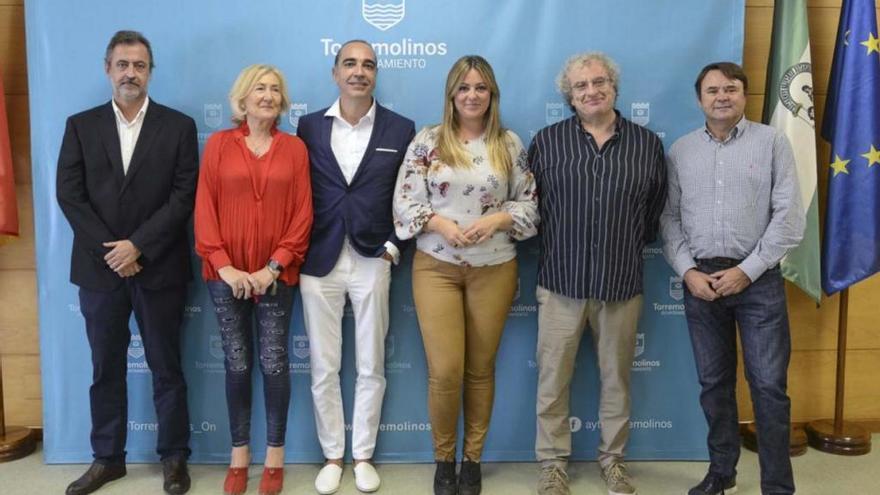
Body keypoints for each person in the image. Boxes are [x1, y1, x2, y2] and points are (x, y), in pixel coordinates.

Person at [56, 30, 197, 495]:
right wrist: (114, 253)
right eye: (122, 64)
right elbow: (70, 196)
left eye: (139, 65)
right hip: (100, 272)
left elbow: (182, 198)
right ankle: (107, 458)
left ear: (150, 71)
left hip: (159, 267)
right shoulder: (80, 125)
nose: (130, 73)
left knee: (166, 368)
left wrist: (138, 245)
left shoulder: (179, 126)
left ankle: (174, 459)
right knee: (105, 369)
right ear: (108, 69)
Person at [393, 55, 539, 495]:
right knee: (445, 371)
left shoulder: (508, 143)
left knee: (480, 369)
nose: (472, 95)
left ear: (491, 94)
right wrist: (441, 224)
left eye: (480, 88)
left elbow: (530, 204)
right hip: (436, 268)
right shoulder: (428, 141)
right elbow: (404, 202)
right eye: (463, 88)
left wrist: (496, 221)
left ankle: (472, 461)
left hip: (494, 268)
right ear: (451, 95)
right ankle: (443, 460)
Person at [660, 61, 804, 495]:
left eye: (731, 89)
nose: (722, 97)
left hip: (757, 280)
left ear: (744, 95)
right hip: (701, 284)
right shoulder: (681, 151)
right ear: (699, 98)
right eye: (712, 90)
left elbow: (789, 218)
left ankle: (777, 486)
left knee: (768, 388)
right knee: (714, 385)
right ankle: (722, 474)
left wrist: (747, 270)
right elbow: (668, 219)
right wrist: (687, 271)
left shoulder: (772, 142)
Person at [529, 52, 667, 495]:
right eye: (580, 86)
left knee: (617, 383)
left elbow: (651, 219)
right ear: (569, 96)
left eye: (599, 81)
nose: (591, 90)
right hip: (561, 283)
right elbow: (534, 213)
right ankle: (552, 465)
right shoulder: (547, 143)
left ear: (614, 86)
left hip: (620, 286)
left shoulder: (647, 145)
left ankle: (613, 461)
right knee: (552, 383)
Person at [296, 39, 415, 495]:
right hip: (318, 257)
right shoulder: (306, 128)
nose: (359, 72)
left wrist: (393, 245)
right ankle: (332, 455)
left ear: (376, 73)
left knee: (371, 362)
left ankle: (362, 455)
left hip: (373, 257)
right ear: (335, 72)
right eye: (350, 63)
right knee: (324, 365)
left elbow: (411, 194)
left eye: (368, 65)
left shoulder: (400, 129)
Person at [194, 64, 313, 495]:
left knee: (275, 362)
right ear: (241, 99)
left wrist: (273, 267)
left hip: (277, 276)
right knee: (238, 363)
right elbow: (204, 207)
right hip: (224, 275)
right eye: (259, 88)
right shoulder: (219, 147)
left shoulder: (296, 149)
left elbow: (303, 215)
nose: (267, 95)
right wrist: (225, 266)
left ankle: (276, 455)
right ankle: (240, 454)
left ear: (283, 101)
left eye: (275, 89)